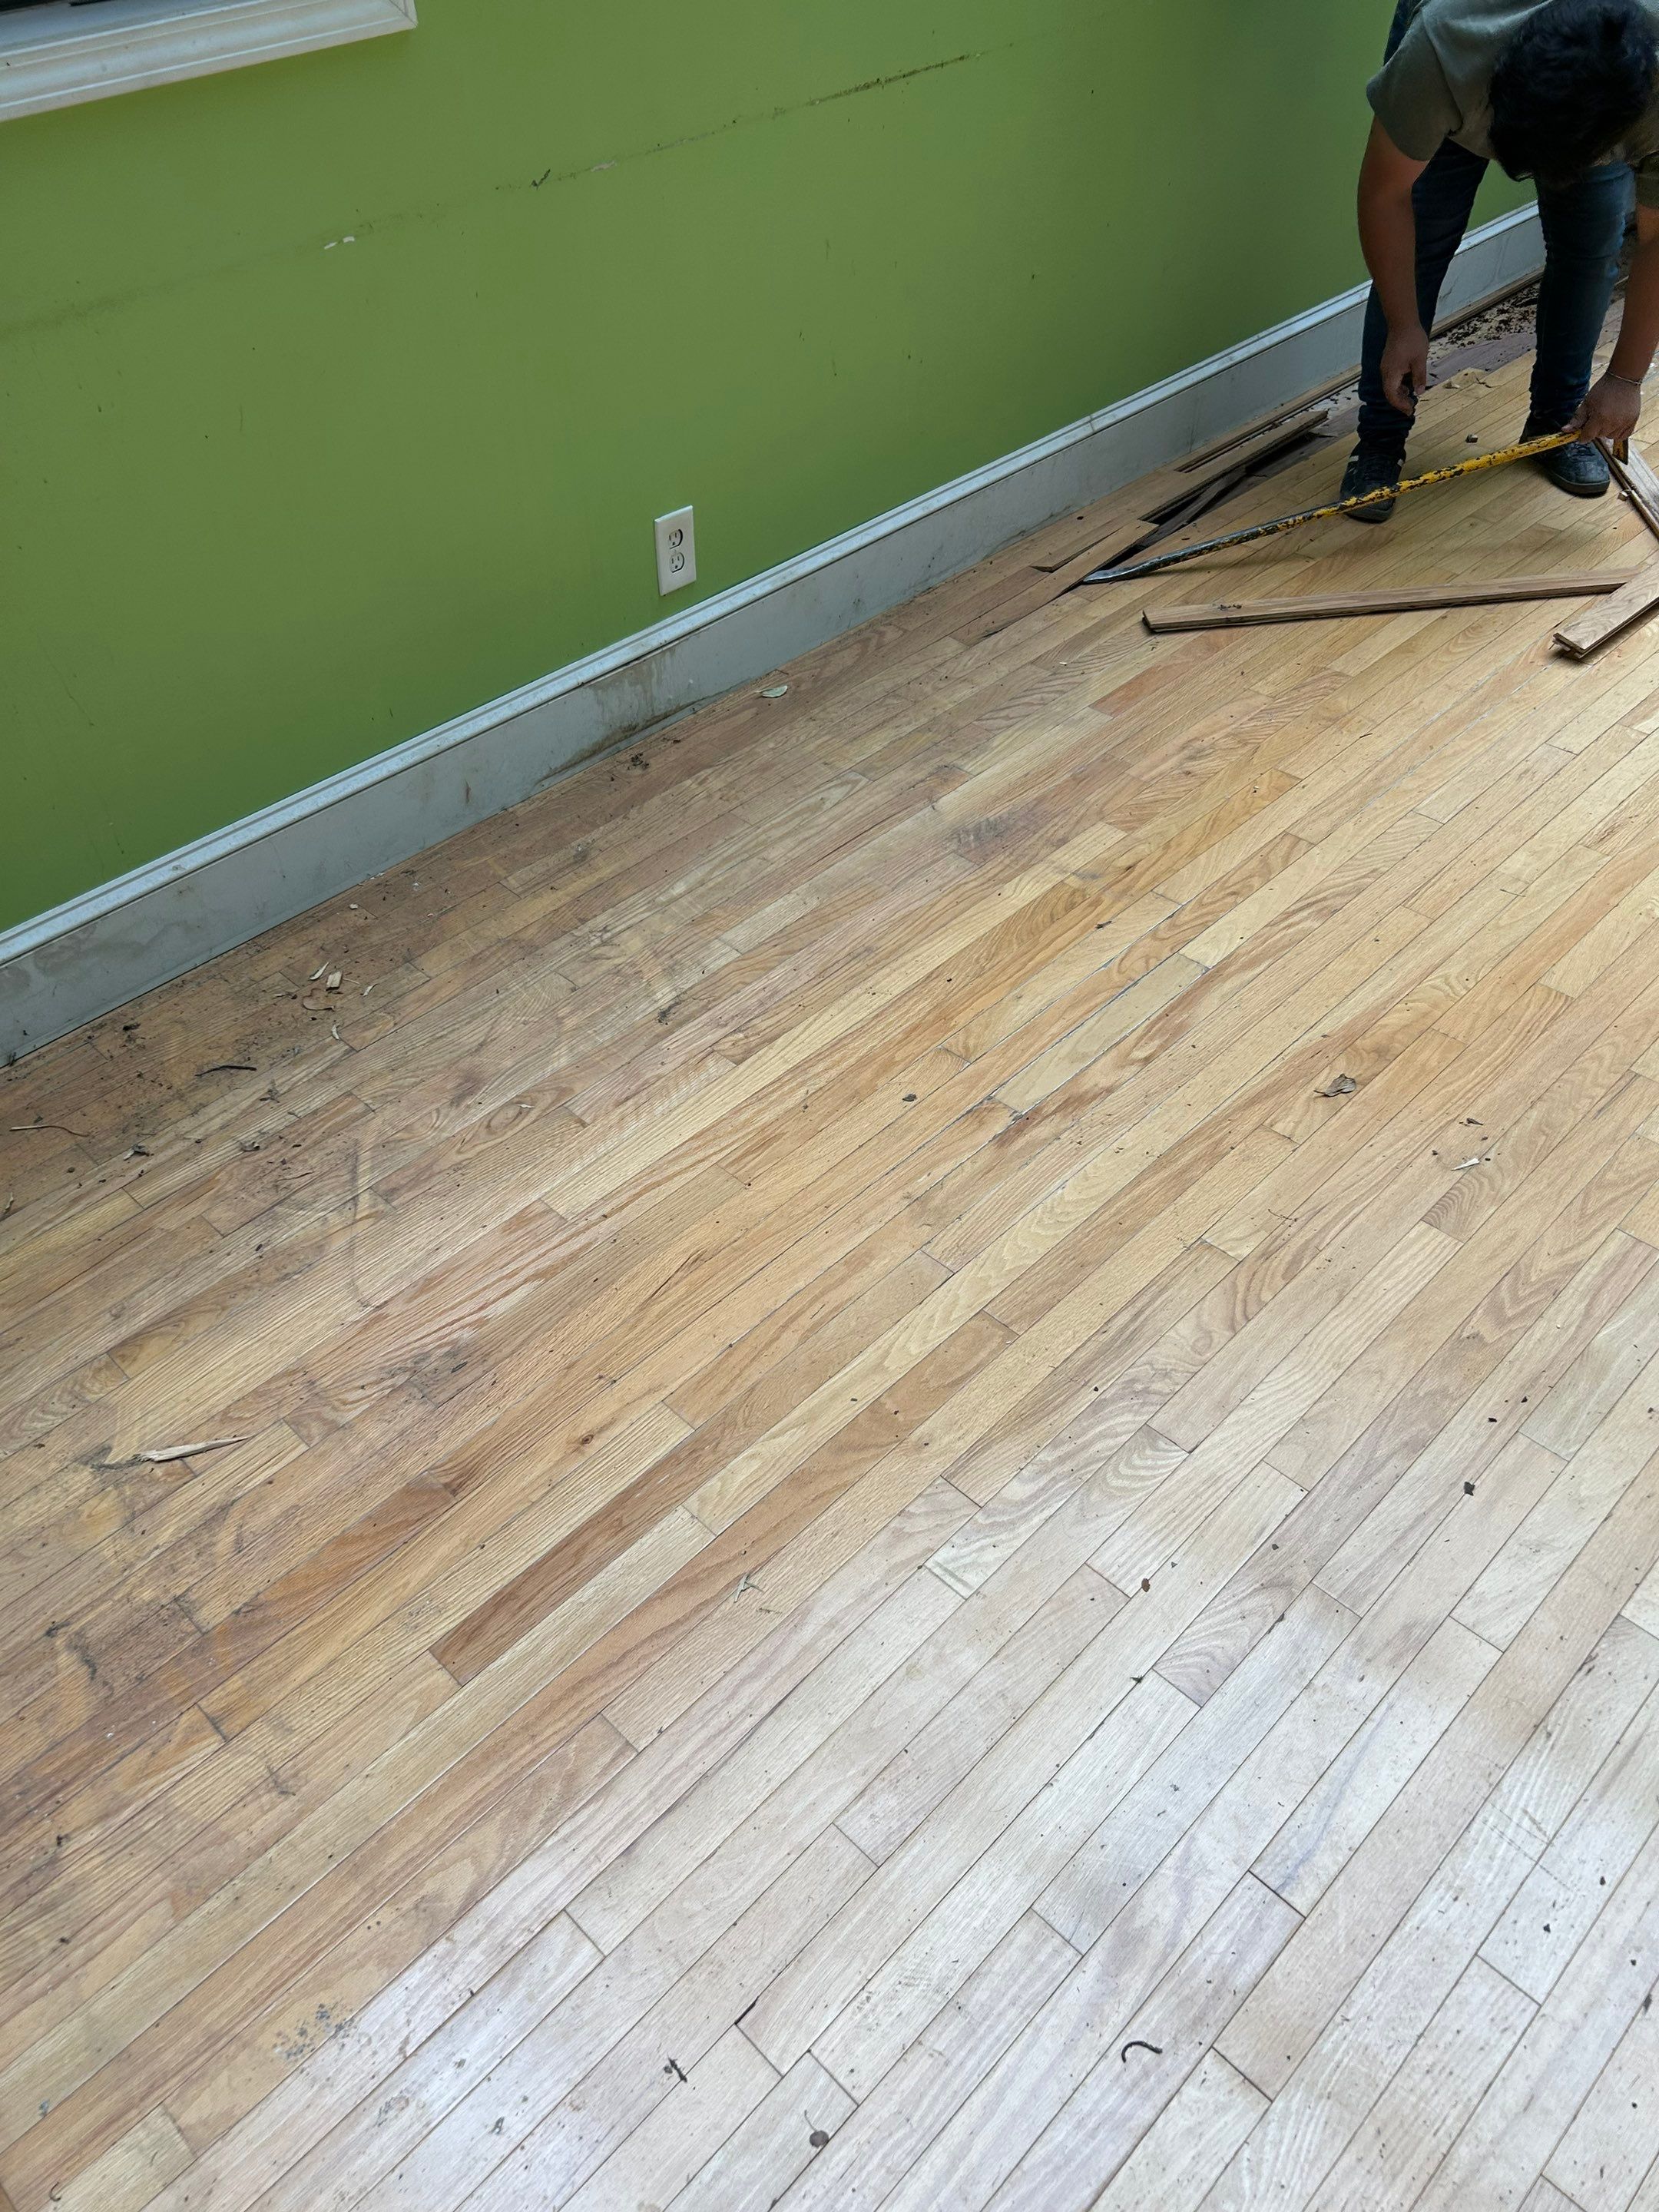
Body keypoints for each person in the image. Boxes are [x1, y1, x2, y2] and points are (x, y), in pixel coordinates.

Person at [1346, 0, 1659, 520]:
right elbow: (1386, 196)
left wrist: (1626, 380)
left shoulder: (1652, 82)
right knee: (1421, 241)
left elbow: (1655, 241)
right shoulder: (1441, 49)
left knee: (1589, 247)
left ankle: (1557, 427)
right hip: (1467, 65)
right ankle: (1379, 441)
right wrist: (1404, 325)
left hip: (1606, 86)